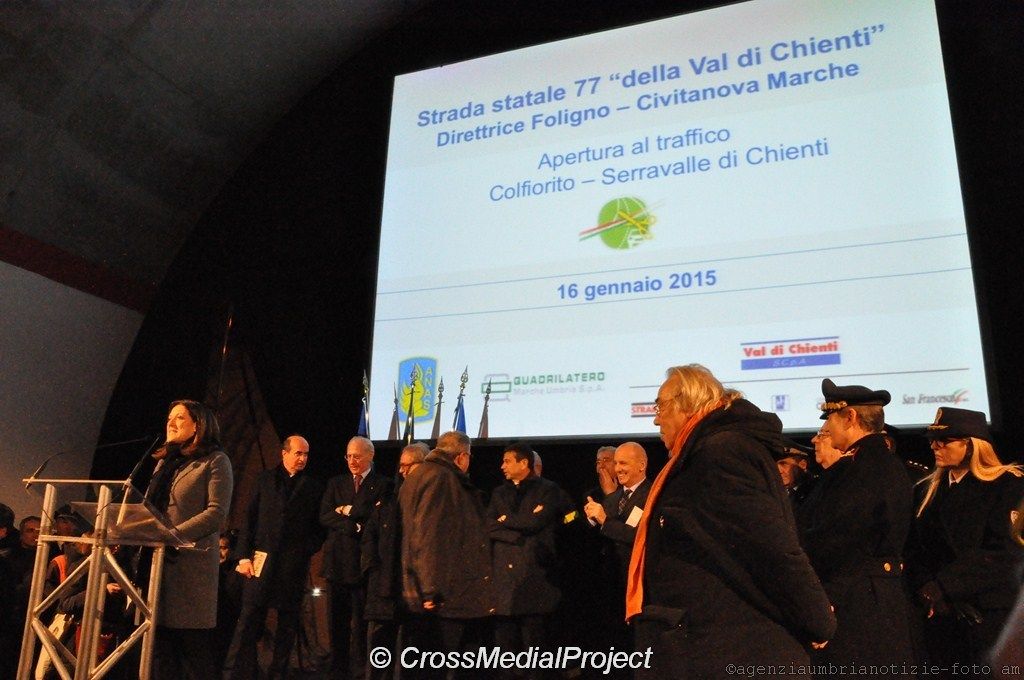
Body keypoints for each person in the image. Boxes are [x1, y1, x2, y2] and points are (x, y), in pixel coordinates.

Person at [629, 364, 835, 679]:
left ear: (688, 404)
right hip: (714, 646)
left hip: (736, 651)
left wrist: (816, 619)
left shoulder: (721, 453)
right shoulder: (707, 452)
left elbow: (770, 546)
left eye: (661, 406)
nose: (656, 418)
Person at [796, 379, 917, 668]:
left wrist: (824, 599)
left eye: (830, 418)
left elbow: (843, 540)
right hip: (863, 594)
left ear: (849, 417)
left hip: (858, 601)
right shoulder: (867, 464)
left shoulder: (865, 468)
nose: (826, 427)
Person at [907, 407, 1024, 670]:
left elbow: (1003, 553)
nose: (934, 446)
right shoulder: (926, 491)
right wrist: (926, 588)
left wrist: (945, 586)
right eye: (931, 440)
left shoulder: (1008, 485)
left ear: (971, 445)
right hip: (939, 615)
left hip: (987, 614)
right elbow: (915, 548)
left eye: (944, 440)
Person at [224, 435, 325, 679]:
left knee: (287, 624)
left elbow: (319, 528)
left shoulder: (312, 486)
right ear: (284, 453)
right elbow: (249, 519)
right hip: (262, 561)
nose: (302, 458)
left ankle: (277, 673)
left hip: (292, 566)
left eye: (306, 455)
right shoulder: (265, 479)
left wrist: (304, 549)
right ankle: (234, 672)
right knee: (248, 620)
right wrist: (243, 557)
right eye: (298, 453)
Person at [146, 399, 233, 680]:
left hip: (189, 571)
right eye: (169, 417)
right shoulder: (164, 464)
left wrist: (173, 535)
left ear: (198, 425)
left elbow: (216, 513)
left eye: (179, 418)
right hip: (156, 567)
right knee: (160, 654)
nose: (171, 422)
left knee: (193, 657)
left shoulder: (215, 460)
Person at [399, 431, 494, 669]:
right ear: (462, 457)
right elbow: (430, 536)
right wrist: (431, 590)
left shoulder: (415, 476)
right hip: (445, 594)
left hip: (420, 588)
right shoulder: (442, 478)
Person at [487, 443, 562, 672]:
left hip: (534, 581)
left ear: (524, 463)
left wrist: (505, 521)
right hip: (504, 586)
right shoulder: (499, 492)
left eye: (507, 461)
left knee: (535, 654)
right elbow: (489, 526)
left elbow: (538, 522)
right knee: (505, 656)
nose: (502, 467)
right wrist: (519, 532)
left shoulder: (548, 490)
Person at [321, 436, 390, 680]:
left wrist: (348, 510)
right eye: (348, 456)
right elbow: (325, 516)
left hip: (363, 565)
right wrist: (354, 525)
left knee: (362, 625)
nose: (352, 461)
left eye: (357, 456)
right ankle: (337, 669)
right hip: (336, 564)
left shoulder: (382, 484)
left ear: (370, 456)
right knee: (336, 623)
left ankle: (362, 670)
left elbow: (375, 515)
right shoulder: (336, 483)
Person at [362, 441, 427, 680]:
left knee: (411, 652)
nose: (402, 471)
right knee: (380, 648)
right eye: (400, 466)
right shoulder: (389, 500)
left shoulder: (430, 501)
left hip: (416, 588)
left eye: (407, 466)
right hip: (384, 586)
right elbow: (370, 535)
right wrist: (372, 569)